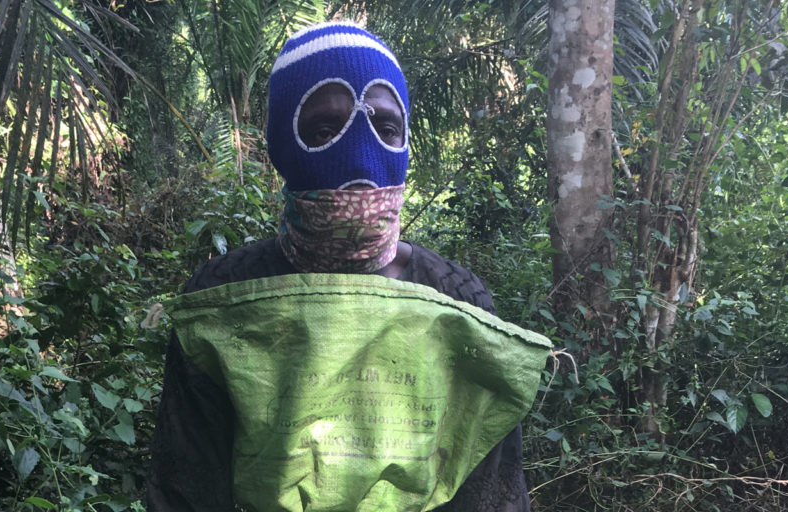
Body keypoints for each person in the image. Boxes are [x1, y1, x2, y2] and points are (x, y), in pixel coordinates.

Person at [146, 21, 545, 511]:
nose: (359, 153)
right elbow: (186, 491)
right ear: (281, 147)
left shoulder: (459, 301)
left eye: (385, 126)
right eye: (322, 129)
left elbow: (490, 493)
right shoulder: (225, 300)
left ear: (406, 142)